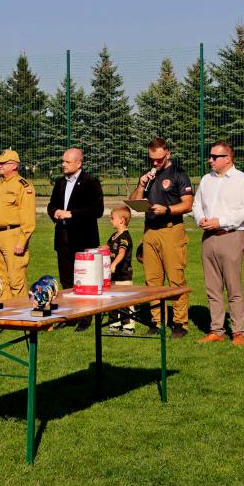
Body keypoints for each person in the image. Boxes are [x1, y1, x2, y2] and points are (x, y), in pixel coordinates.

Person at [192, 140, 244, 346]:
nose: (210, 160)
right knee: (212, 288)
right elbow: (196, 204)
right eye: (210, 156)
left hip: (231, 237)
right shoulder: (206, 179)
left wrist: (220, 221)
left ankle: (238, 332)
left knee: (233, 287)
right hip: (208, 238)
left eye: (214, 157)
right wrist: (200, 219)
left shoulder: (243, 180)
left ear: (227, 158)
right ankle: (216, 330)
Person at [129, 138, 193, 338]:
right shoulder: (148, 176)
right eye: (152, 160)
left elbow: (188, 204)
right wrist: (141, 185)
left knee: (175, 279)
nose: (155, 163)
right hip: (150, 231)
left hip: (171, 230)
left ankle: (180, 323)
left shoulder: (179, 174)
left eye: (158, 159)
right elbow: (133, 203)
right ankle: (157, 322)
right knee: (152, 280)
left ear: (168, 154)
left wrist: (167, 210)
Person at [0, 150, 36, 302]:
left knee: (16, 279)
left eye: (3, 163)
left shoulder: (23, 186)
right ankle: (4, 311)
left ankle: (20, 312)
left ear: (14, 165)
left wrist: (22, 241)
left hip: (12, 236)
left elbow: (28, 217)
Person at [47, 147, 104, 289]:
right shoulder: (60, 182)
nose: (63, 164)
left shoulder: (90, 182)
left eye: (67, 162)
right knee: (66, 284)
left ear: (78, 164)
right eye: (63, 161)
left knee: (85, 283)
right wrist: (55, 212)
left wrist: (72, 214)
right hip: (62, 242)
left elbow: (97, 210)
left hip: (83, 242)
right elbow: (51, 205)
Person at [106, 205, 135, 335]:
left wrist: (114, 264)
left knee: (125, 300)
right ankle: (114, 323)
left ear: (121, 220)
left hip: (123, 275)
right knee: (112, 299)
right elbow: (107, 247)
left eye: (112, 218)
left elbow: (122, 253)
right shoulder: (114, 236)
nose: (110, 220)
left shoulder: (125, 237)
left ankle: (128, 325)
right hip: (113, 276)